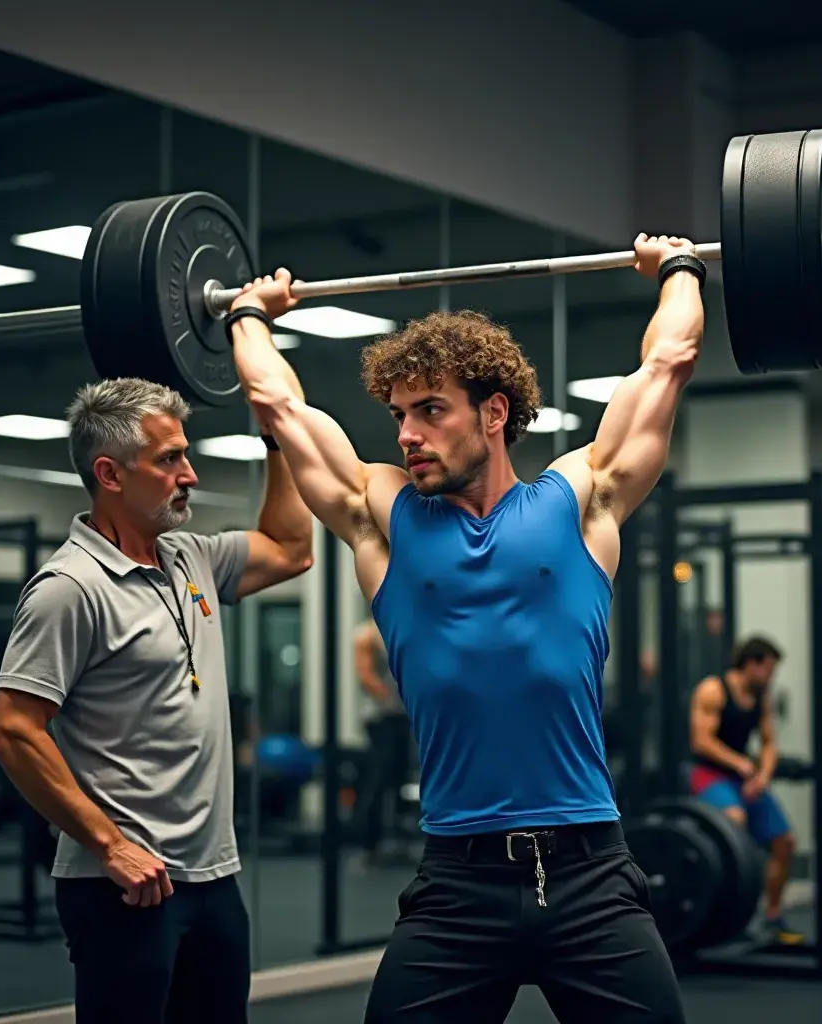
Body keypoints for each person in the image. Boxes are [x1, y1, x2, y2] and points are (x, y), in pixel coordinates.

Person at [224, 230, 704, 1023]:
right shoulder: (384, 518)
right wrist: (248, 314)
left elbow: (667, 364)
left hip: (589, 870)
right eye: (399, 414)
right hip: (459, 882)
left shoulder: (580, 499)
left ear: (493, 413)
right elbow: (280, 406)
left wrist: (679, 269)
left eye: (430, 410)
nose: (407, 433)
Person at [0, 377, 314, 1024]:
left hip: (213, 876)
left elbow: (292, 550)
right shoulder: (69, 589)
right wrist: (109, 846)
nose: (189, 473)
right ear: (110, 473)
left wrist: (274, 440)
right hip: (125, 884)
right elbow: (13, 731)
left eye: (184, 455)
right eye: (169, 460)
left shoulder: (188, 556)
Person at [688, 635, 804, 944]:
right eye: (768, 669)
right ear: (751, 664)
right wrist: (739, 763)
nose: (772, 676)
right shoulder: (713, 690)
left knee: (785, 841)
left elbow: (768, 743)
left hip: (744, 777)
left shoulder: (760, 695)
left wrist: (763, 776)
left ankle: (772, 916)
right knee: (735, 821)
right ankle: (728, 916)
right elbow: (701, 740)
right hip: (708, 773)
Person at [353, 617, 414, 868]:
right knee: (378, 781)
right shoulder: (367, 634)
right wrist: (394, 700)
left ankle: (397, 843)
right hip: (382, 719)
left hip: (400, 718)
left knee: (399, 780)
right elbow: (366, 677)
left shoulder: (402, 628)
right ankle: (369, 846)